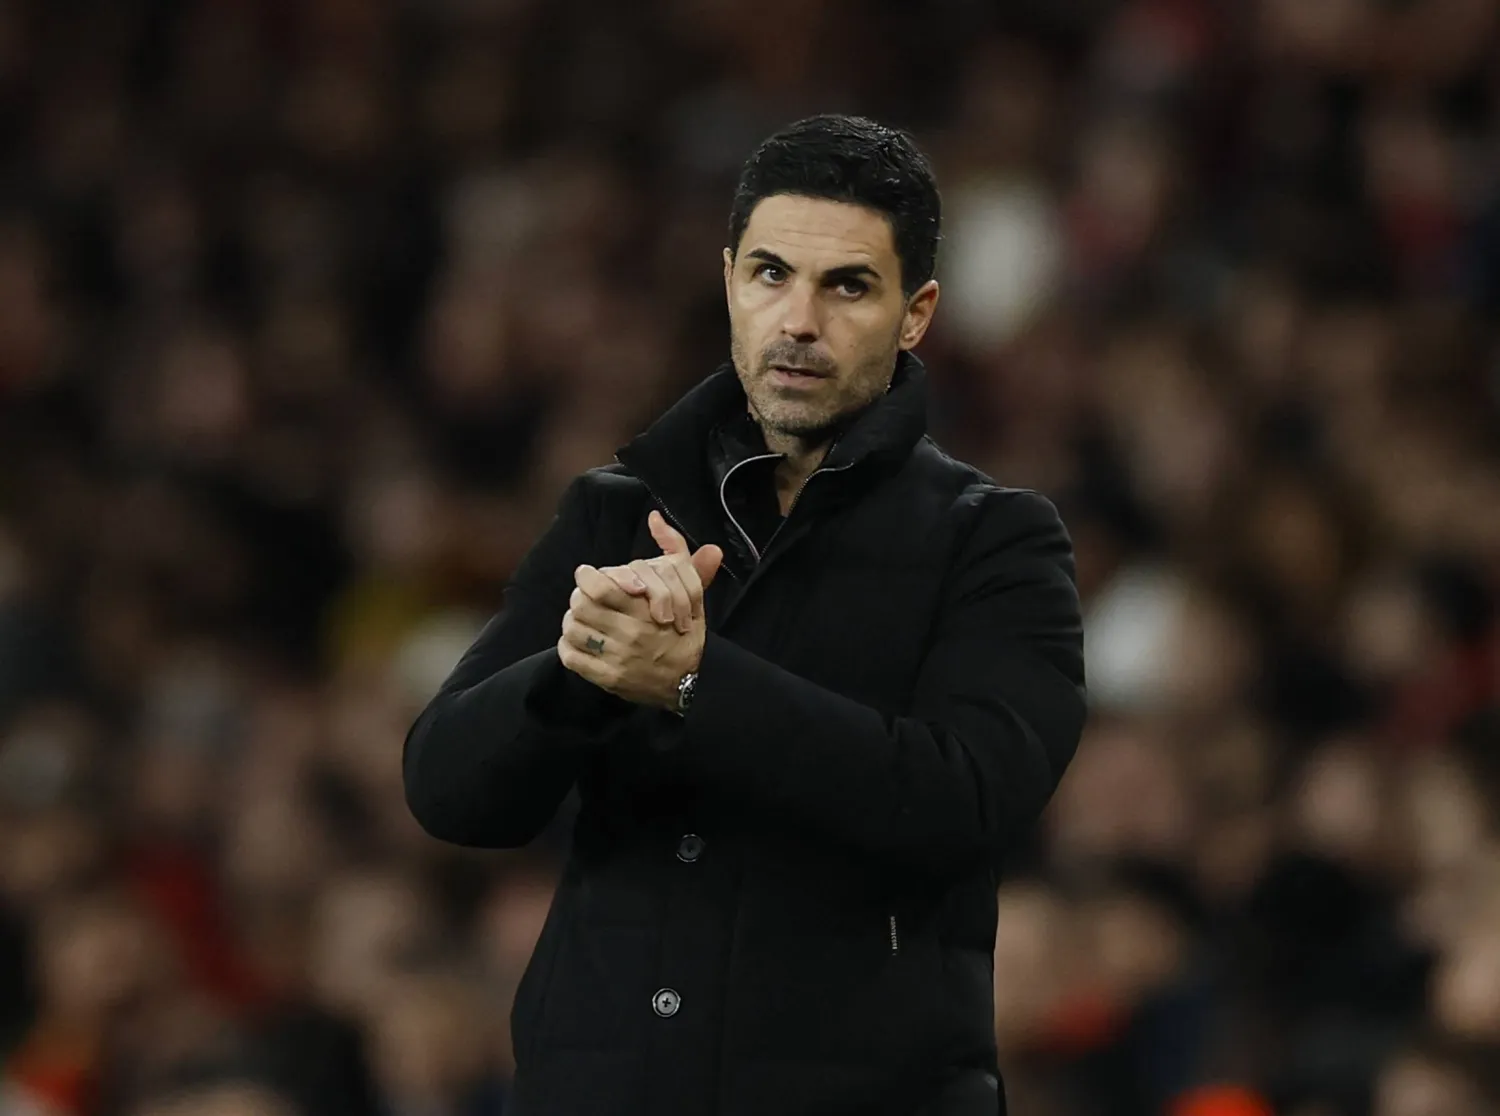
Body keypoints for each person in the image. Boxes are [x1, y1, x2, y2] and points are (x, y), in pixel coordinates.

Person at [403, 114, 1087, 1116]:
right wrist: (585, 665)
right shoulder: (616, 506)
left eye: (846, 285)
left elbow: (965, 802)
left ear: (916, 312)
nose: (798, 320)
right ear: (730, 281)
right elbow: (448, 790)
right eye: (771, 274)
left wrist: (692, 681)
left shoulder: (997, 543)